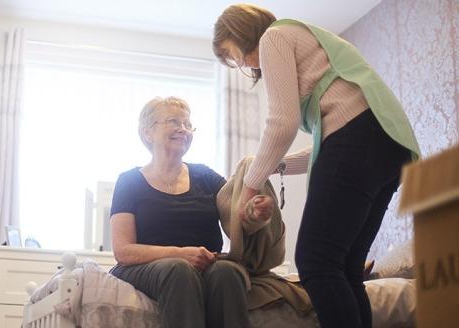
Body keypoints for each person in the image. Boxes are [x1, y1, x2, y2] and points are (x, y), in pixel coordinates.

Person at [212, 4, 421, 328]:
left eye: (232, 55)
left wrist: (249, 186)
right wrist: (275, 165)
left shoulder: (273, 38)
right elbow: (335, 141)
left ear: (238, 33)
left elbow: (282, 123)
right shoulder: (306, 39)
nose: (240, 64)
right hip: (388, 144)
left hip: (360, 141)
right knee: (347, 268)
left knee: (315, 262)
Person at [109, 96, 272, 328]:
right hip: (146, 268)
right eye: (174, 122)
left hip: (201, 265)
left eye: (188, 124)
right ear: (148, 133)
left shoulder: (205, 176)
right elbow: (124, 251)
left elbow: (235, 210)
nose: (183, 129)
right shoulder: (129, 181)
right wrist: (179, 253)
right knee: (179, 269)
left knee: (227, 272)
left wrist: (253, 211)